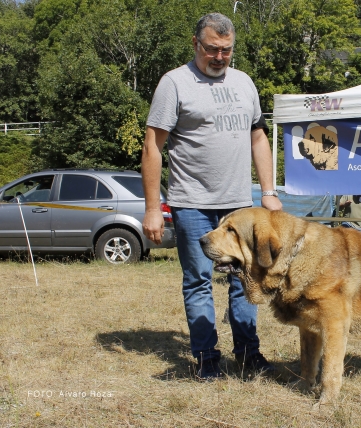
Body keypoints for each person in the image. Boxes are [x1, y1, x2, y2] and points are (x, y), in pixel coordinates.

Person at [141, 13, 282, 381]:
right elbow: (152, 147)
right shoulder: (174, 83)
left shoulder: (244, 82)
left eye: (226, 50)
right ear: (195, 44)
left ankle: (249, 355)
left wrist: (268, 192)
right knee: (199, 280)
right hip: (191, 203)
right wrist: (154, 208)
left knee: (247, 277)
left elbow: (258, 138)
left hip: (238, 206)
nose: (219, 57)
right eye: (212, 49)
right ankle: (207, 360)